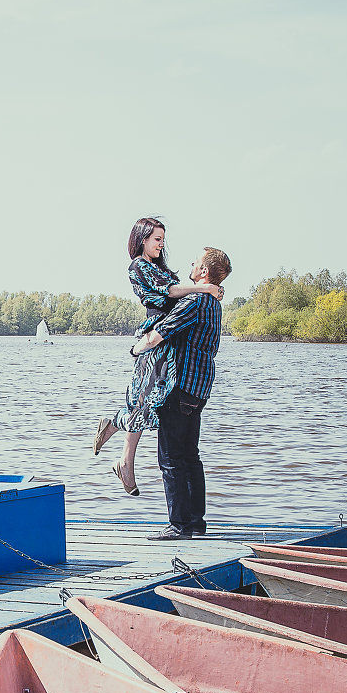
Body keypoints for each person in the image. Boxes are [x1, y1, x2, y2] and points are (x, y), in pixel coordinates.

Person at [93, 217, 222, 496]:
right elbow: (171, 292)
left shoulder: (161, 268)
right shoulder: (138, 266)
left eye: (163, 240)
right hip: (155, 338)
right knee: (144, 403)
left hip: (168, 343)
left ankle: (123, 454)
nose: (161, 245)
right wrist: (205, 287)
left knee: (149, 405)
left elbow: (180, 294)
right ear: (142, 239)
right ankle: (119, 440)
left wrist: (208, 290)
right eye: (156, 239)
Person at [131, 246, 232, 540]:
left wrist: (136, 348)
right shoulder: (214, 303)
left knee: (171, 457)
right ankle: (196, 523)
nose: (190, 264)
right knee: (190, 456)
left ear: (203, 272)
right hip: (200, 389)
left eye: (195, 262)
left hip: (179, 387)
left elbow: (163, 330)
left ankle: (177, 525)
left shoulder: (197, 301)